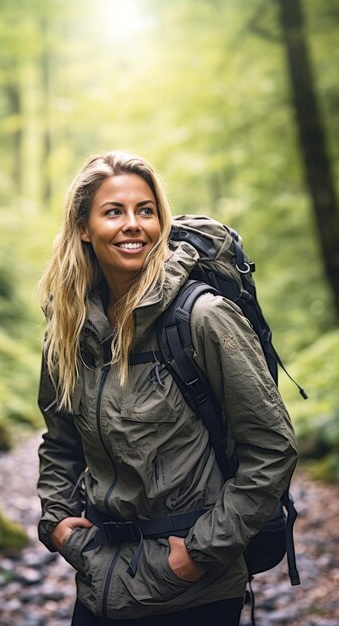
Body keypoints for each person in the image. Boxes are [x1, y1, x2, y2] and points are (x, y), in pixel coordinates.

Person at [37, 151, 297, 626]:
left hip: (192, 589)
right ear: (83, 227)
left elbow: (273, 448)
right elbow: (59, 439)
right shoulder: (70, 327)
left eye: (146, 210)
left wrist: (200, 553)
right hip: (99, 580)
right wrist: (56, 520)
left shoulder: (202, 317)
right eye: (114, 211)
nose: (133, 224)